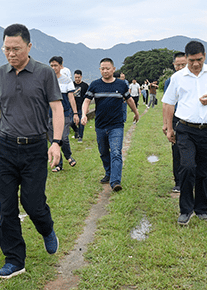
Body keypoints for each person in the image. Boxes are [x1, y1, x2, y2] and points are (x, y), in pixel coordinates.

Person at [0, 24, 64, 279]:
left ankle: (46, 228)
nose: (11, 54)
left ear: (29, 46)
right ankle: (14, 260)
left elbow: (56, 109)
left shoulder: (43, 73)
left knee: (32, 202)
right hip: (5, 147)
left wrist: (56, 142)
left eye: (16, 49)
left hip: (35, 147)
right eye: (6, 49)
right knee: (7, 206)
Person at [162, 41, 207, 226]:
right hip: (185, 129)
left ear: (204, 56)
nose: (196, 64)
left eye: (199, 59)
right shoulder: (178, 77)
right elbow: (168, 103)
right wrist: (168, 127)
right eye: (192, 60)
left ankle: (201, 209)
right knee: (187, 166)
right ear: (186, 58)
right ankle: (185, 210)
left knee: (204, 171)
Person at [81, 58, 140, 192]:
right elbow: (86, 101)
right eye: (102, 68)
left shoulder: (121, 85)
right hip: (100, 125)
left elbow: (129, 99)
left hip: (116, 125)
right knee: (103, 152)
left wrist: (136, 112)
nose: (105, 71)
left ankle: (115, 181)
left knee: (116, 152)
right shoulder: (95, 85)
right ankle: (109, 172)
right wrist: (84, 114)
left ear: (113, 69)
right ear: (100, 70)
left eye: (108, 68)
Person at [161, 52, 188, 193]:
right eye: (178, 65)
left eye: (184, 64)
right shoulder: (170, 81)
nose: (181, 67)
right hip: (176, 119)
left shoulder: (195, 80)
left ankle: (190, 180)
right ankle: (178, 182)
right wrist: (166, 124)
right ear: (174, 65)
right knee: (177, 151)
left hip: (191, 120)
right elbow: (166, 104)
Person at [49, 56, 78, 170]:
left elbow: (71, 98)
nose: (53, 68)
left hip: (65, 113)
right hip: (50, 114)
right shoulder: (48, 81)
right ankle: (58, 164)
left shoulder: (67, 80)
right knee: (53, 140)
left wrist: (75, 113)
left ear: (61, 66)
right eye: (51, 66)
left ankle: (68, 155)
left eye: (55, 65)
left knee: (64, 138)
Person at [71, 70, 89, 142]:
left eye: (78, 77)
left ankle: (80, 136)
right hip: (73, 107)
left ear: (81, 77)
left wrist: (86, 108)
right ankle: (77, 131)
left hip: (81, 106)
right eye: (75, 77)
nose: (77, 79)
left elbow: (88, 98)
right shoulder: (71, 85)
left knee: (81, 122)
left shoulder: (85, 86)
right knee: (71, 122)